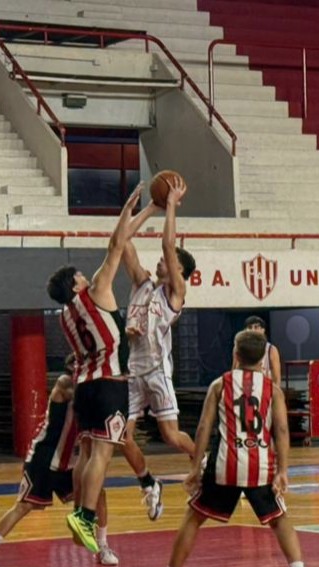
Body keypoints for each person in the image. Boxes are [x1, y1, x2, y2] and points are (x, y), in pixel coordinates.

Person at [139, 330, 313, 567]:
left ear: (235, 354)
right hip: (260, 465)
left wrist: (195, 468)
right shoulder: (273, 390)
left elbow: (203, 428)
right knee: (279, 519)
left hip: (225, 465)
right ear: (262, 360)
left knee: (194, 517)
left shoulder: (220, 385)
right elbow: (281, 429)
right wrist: (283, 471)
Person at [47, 184, 155, 554]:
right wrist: (133, 211)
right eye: (80, 275)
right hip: (109, 384)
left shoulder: (64, 316)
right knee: (104, 455)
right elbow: (116, 246)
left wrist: (144, 211)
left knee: (89, 452)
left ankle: (82, 510)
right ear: (76, 283)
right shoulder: (94, 291)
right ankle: (85, 515)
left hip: (85, 387)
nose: (85, 275)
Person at [0, 355, 118, 567]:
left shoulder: (91, 389)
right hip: (44, 457)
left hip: (69, 463)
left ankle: (103, 547)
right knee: (25, 505)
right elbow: (86, 398)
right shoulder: (65, 383)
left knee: (99, 494)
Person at [121, 172, 198, 521]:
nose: (161, 260)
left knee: (170, 436)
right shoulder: (142, 283)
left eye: (168, 261)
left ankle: (205, 466)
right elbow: (122, 241)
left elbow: (169, 245)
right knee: (121, 438)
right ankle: (148, 484)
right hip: (132, 372)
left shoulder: (175, 294)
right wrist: (150, 208)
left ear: (180, 270)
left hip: (157, 373)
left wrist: (171, 206)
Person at [235, 315, 282, 383]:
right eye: (250, 327)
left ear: (263, 330)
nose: (253, 330)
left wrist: (275, 391)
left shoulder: (271, 349)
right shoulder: (239, 348)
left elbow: (276, 377)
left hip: (264, 388)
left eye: (256, 327)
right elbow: (234, 370)